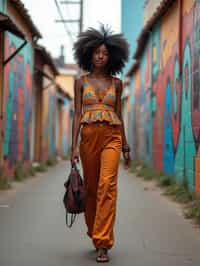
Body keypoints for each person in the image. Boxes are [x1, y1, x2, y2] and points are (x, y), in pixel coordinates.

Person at [70, 25, 131, 263]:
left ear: (112, 56)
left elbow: (120, 115)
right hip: (88, 139)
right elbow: (77, 114)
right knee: (93, 189)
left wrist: (125, 146)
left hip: (112, 137)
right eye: (96, 52)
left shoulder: (117, 84)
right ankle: (95, 232)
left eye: (105, 53)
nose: (100, 56)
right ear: (88, 54)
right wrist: (73, 146)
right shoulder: (80, 82)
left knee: (108, 186)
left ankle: (103, 242)